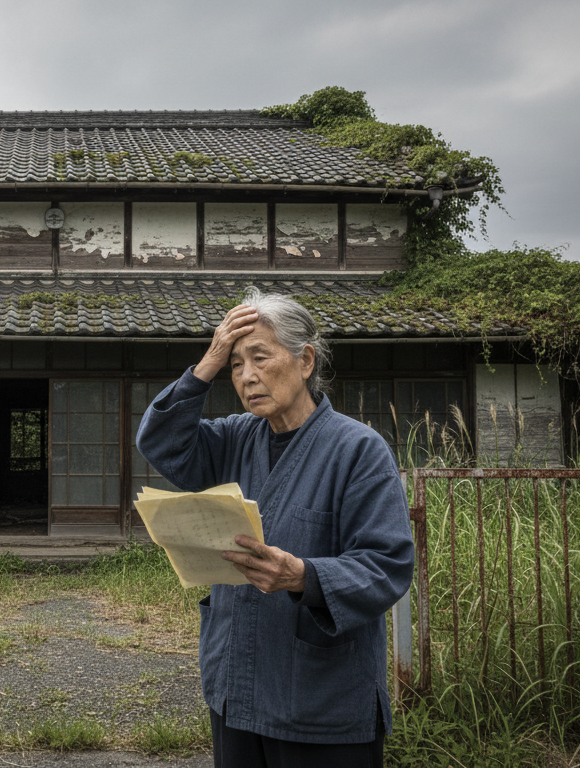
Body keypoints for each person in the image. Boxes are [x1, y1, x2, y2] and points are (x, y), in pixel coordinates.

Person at [136, 290, 414, 767]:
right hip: (236, 687)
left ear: (305, 361)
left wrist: (304, 576)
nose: (246, 376)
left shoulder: (358, 450)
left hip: (321, 702)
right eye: (235, 364)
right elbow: (161, 443)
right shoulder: (234, 437)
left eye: (260, 357)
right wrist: (208, 361)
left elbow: (386, 565)